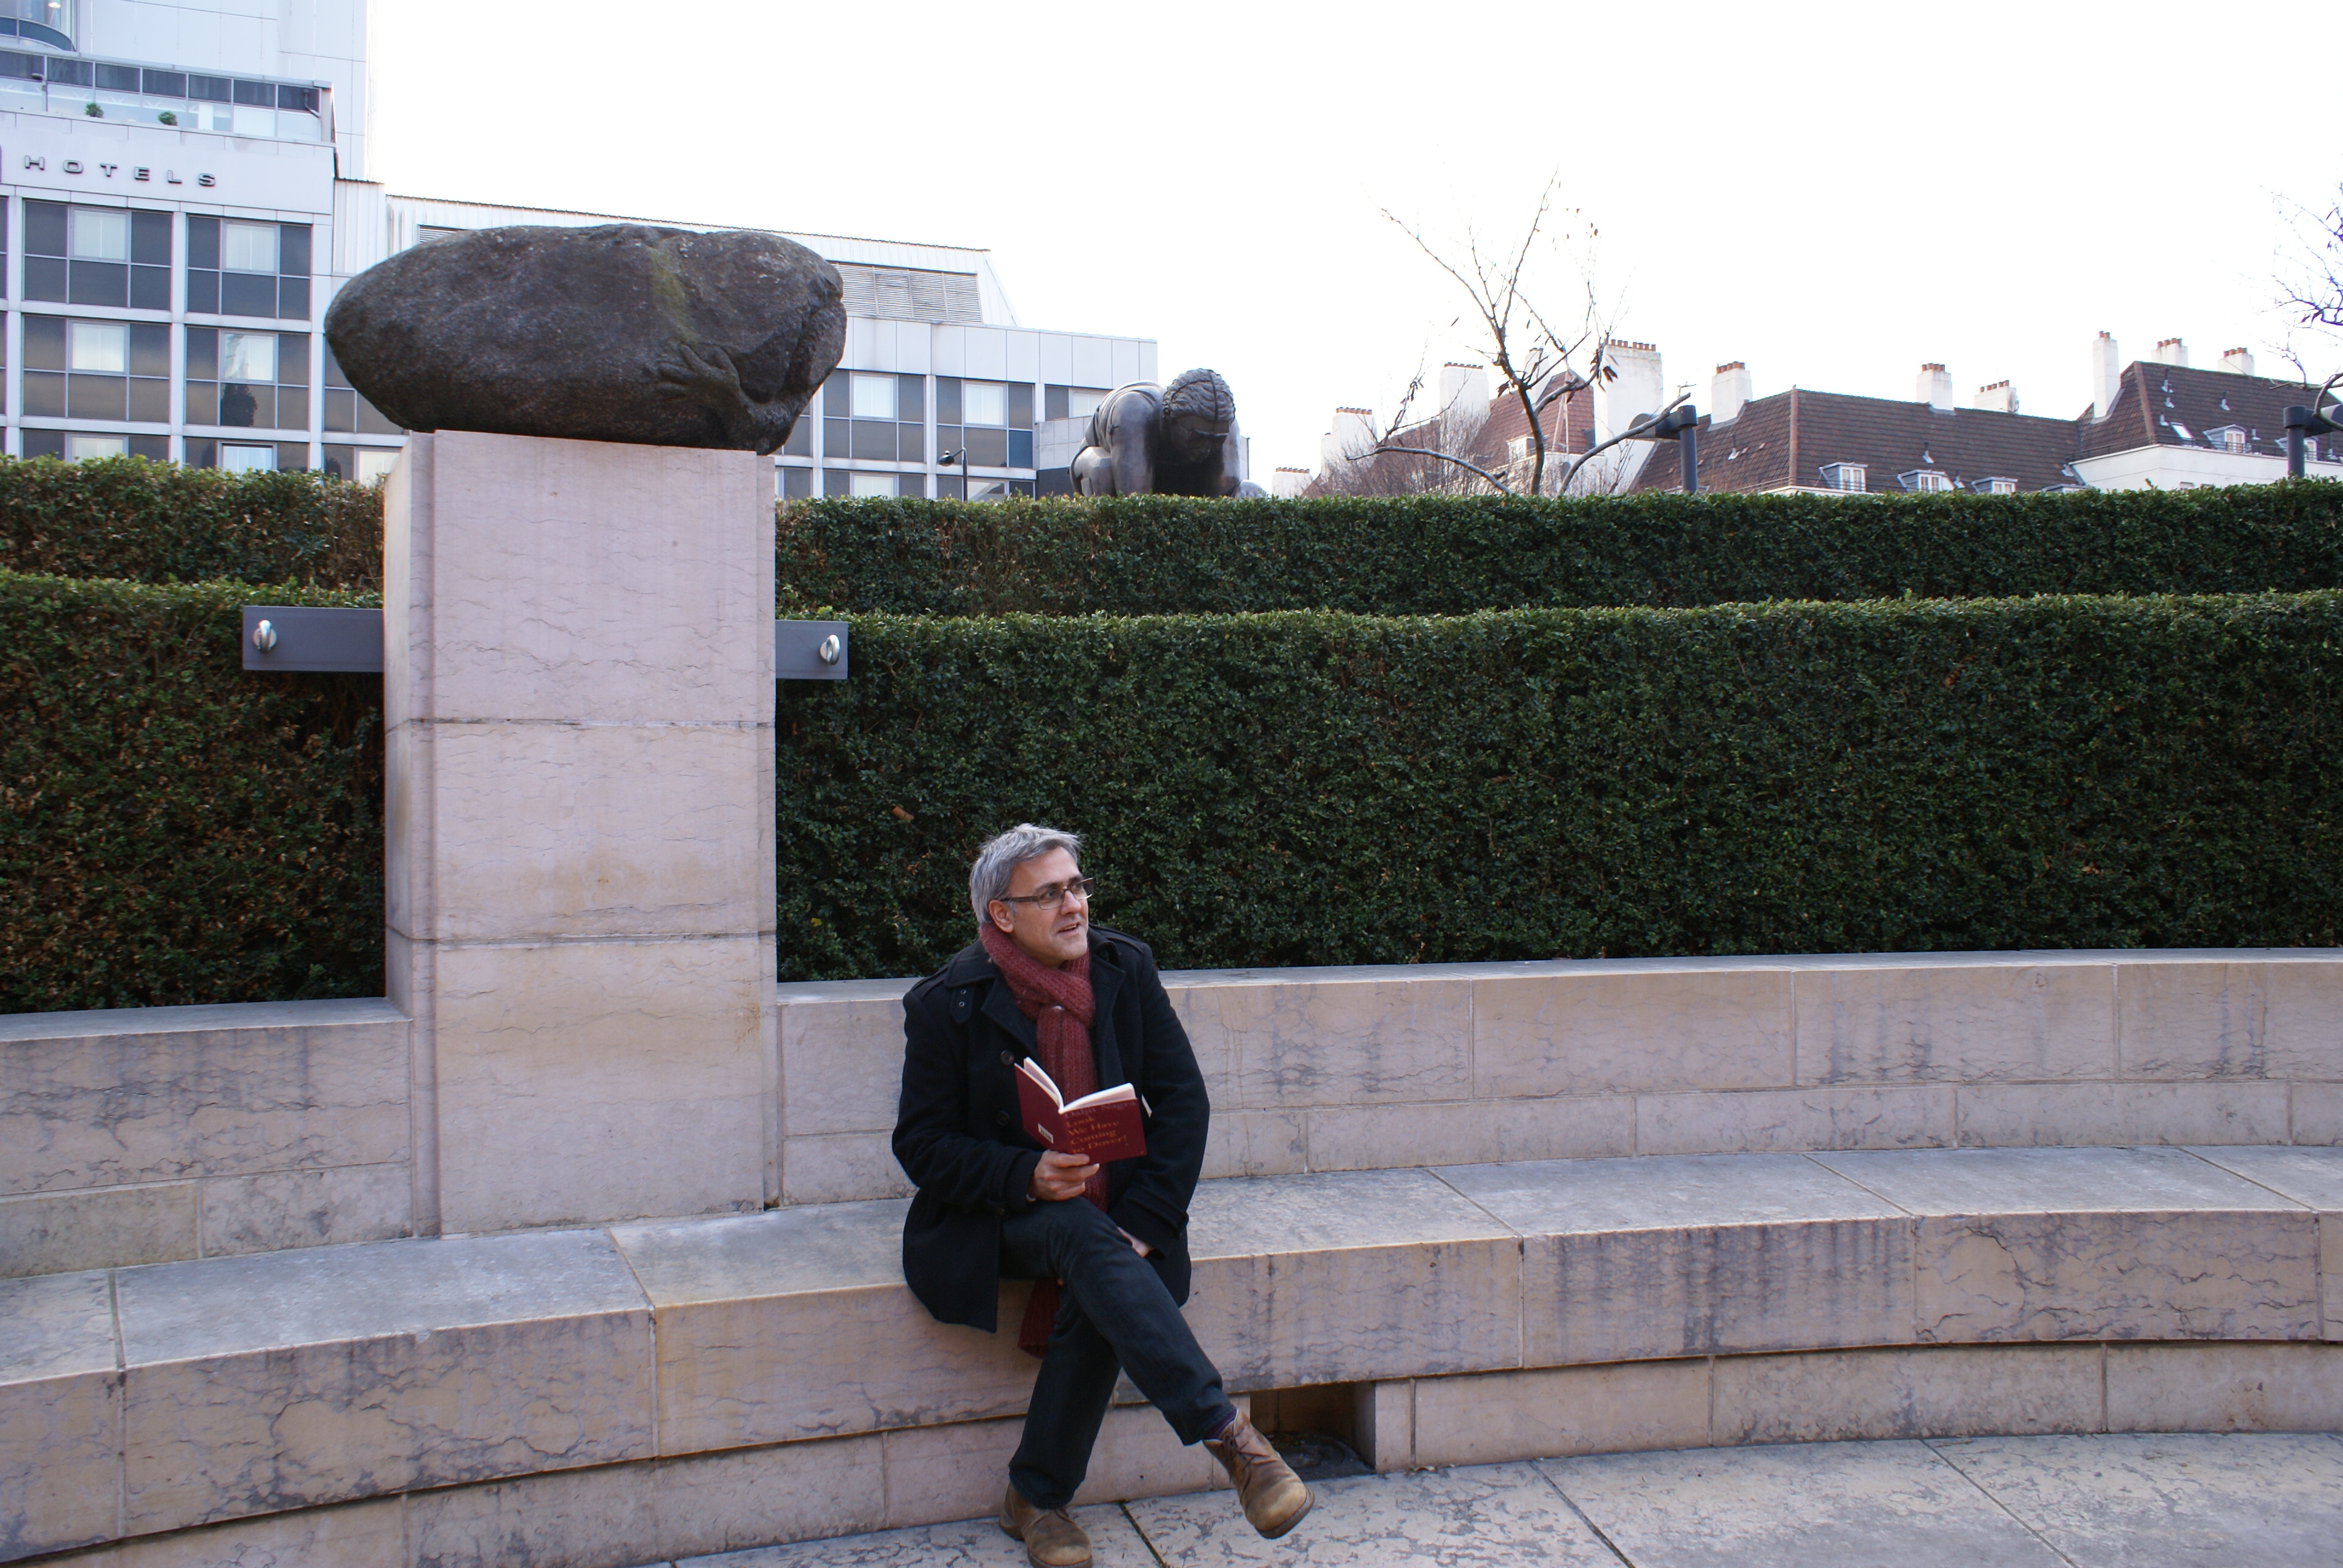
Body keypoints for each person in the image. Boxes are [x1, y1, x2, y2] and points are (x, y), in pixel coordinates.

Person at [894, 824, 1311, 1567]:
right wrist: (1022, 1175)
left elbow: (1182, 1103)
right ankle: (1231, 1440)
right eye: (1049, 893)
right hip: (998, 1222)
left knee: (1100, 1257)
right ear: (1001, 916)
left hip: (1115, 1210)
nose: (1073, 905)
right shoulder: (946, 1003)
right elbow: (921, 1145)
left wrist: (1148, 1221)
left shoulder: (1125, 969)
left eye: (1078, 886)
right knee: (1079, 1237)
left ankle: (1035, 1498)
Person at [1070, 368, 1242, 497]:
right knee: (1103, 471)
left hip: (1176, 474)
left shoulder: (1223, 421)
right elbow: (1135, 499)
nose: (1206, 449)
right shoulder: (1135, 412)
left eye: (1215, 441)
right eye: (1196, 438)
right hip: (1104, 465)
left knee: (1248, 492)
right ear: (1171, 419)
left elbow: (1228, 497)